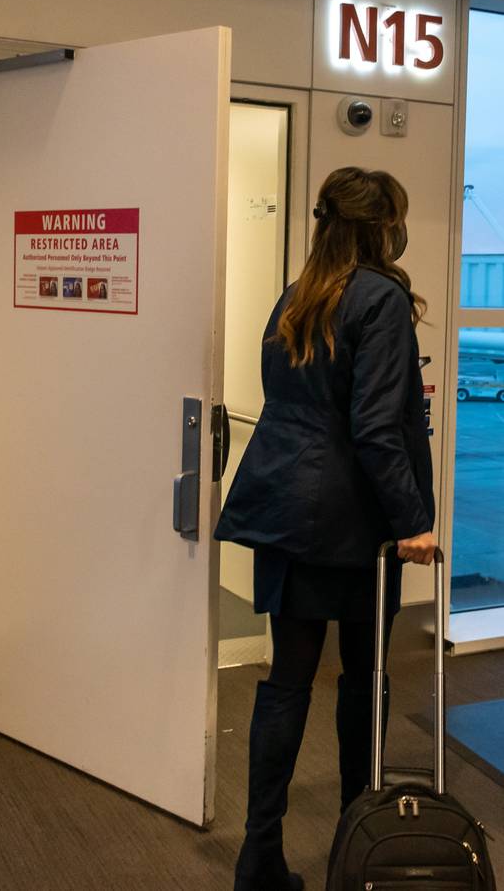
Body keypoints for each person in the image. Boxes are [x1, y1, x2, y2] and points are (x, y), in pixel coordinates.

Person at [215, 167, 436, 891]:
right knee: (364, 679)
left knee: (288, 682)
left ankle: (259, 857)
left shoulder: (300, 294)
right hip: (351, 524)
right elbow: (377, 429)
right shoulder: (381, 300)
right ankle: (356, 840)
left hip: (284, 508)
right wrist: (413, 523)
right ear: (382, 228)